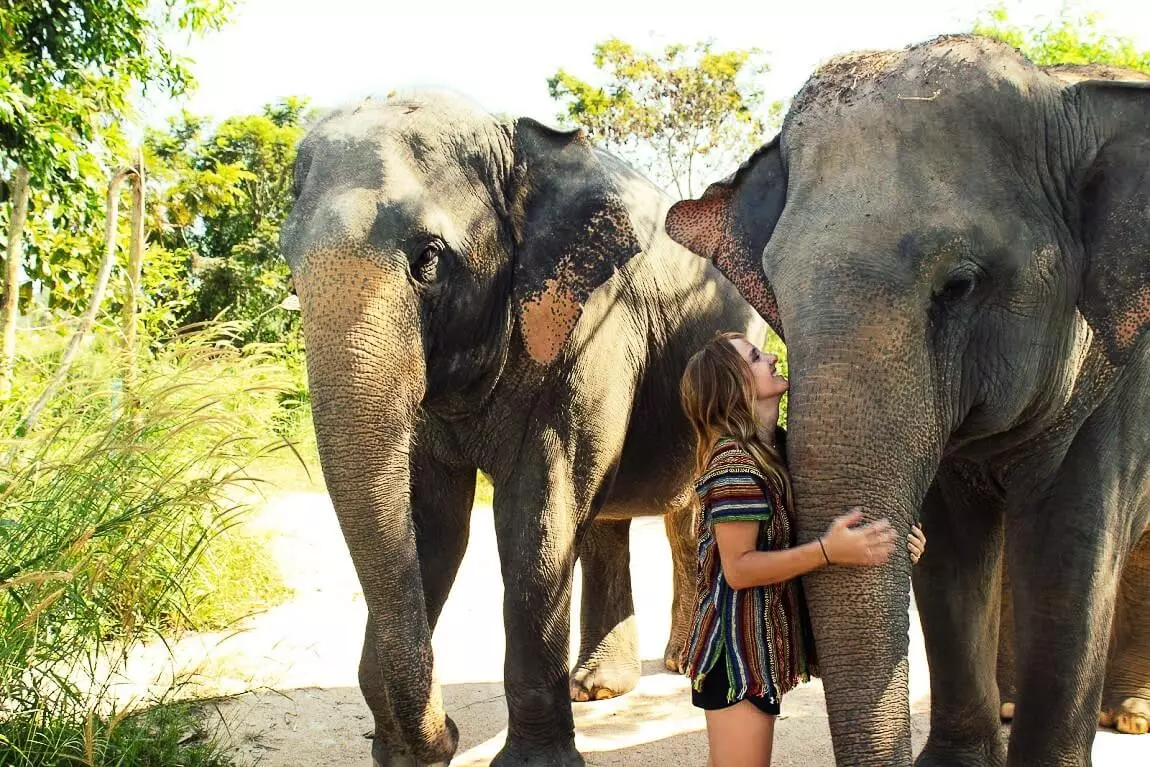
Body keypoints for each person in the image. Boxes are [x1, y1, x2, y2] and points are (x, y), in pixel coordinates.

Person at [678, 331, 927, 767]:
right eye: (756, 357)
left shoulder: (778, 451)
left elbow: (816, 529)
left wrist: (891, 542)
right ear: (733, 383)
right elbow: (738, 568)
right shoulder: (734, 463)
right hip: (734, 657)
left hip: (762, 652)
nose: (772, 357)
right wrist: (829, 551)